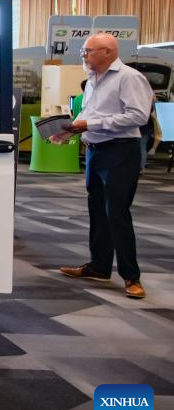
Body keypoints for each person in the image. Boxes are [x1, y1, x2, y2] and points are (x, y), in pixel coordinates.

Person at [53, 33, 154, 299]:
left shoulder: (129, 78)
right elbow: (89, 114)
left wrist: (89, 125)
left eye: (88, 51)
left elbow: (138, 116)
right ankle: (99, 266)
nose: (83, 56)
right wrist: (70, 131)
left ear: (108, 52)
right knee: (97, 211)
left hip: (121, 152)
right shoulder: (92, 81)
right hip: (96, 152)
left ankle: (132, 277)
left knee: (117, 214)